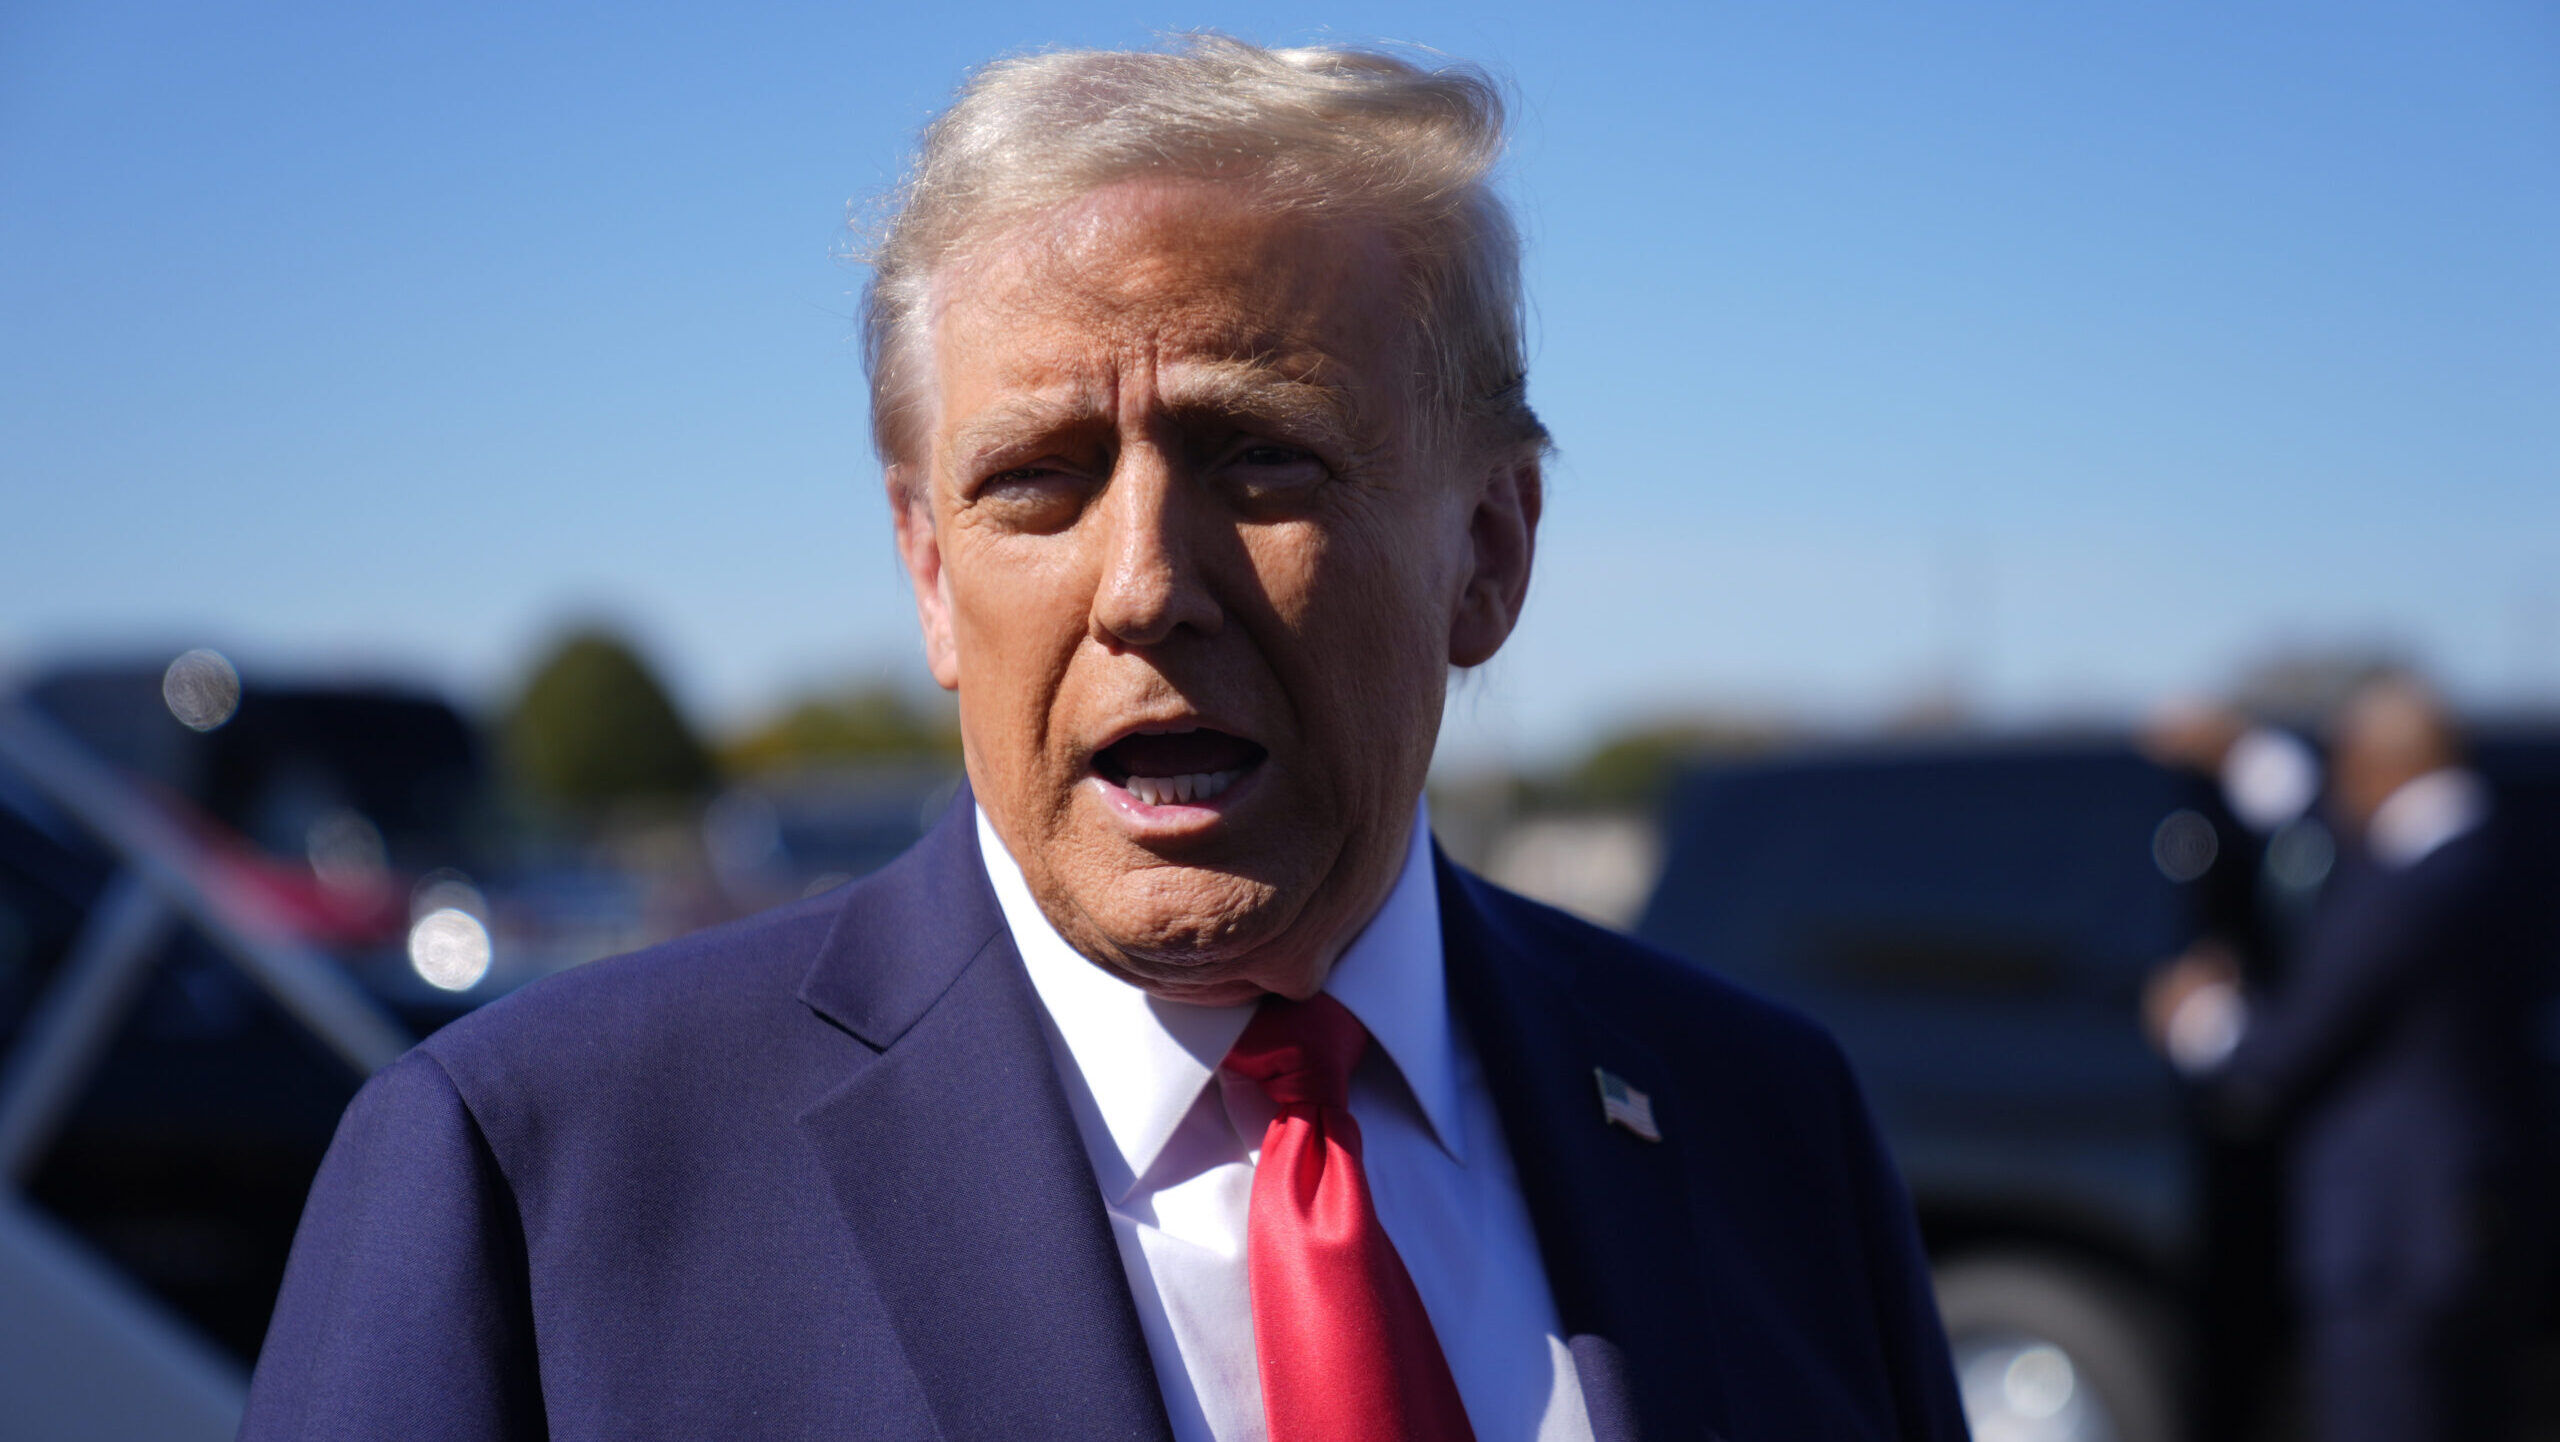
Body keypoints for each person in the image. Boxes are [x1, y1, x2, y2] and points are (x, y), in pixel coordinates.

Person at [241, 37, 1966, 1442]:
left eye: (1261, 456)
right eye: (1038, 482)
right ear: (928, 571)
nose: (1144, 585)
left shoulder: (1764, 1122)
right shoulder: (532, 1178)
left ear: (1490, 550)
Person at [2146, 675, 2544, 1442]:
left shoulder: (2403, 897)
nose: (2335, 789)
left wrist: (2198, 1020)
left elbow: (2287, 1049)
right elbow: (2311, 810)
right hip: (2476, 1229)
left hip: (2393, 1249)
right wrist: (2241, 752)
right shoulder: (2495, 858)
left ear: (2376, 766)